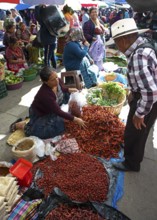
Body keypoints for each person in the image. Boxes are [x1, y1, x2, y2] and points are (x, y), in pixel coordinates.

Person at [109, 18, 157, 172]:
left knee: (136, 131)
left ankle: (131, 163)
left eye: (116, 42)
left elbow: (150, 92)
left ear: (123, 40)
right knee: (134, 131)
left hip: (148, 100)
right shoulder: (142, 44)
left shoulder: (138, 56)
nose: (117, 46)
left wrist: (140, 113)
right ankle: (132, 147)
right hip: (143, 97)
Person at [10, 66, 86, 139]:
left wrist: (71, 90)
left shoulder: (58, 80)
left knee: (61, 124)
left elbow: (63, 88)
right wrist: (76, 119)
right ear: (45, 82)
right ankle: (23, 126)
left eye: (56, 77)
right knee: (45, 131)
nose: (56, 80)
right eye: (52, 79)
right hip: (40, 113)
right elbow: (58, 111)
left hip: (50, 110)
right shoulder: (45, 94)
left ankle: (30, 123)